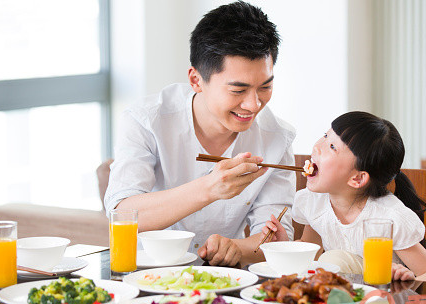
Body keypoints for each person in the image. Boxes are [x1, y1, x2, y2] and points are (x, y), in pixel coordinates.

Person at [104, 1, 295, 267]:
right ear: (196, 80)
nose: (253, 105)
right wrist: (209, 188)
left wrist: (235, 248)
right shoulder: (147, 120)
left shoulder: (277, 138)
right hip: (148, 275)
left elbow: (275, 239)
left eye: (265, 86)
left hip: (228, 283)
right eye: (238, 91)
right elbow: (121, 214)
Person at [262, 111, 426, 282]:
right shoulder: (313, 202)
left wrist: (408, 280)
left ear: (357, 178)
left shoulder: (388, 216)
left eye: (332, 146)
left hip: (380, 301)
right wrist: (284, 246)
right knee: (328, 262)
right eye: (326, 136)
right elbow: (313, 251)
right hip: (344, 299)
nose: (318, 147)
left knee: (332, 260)